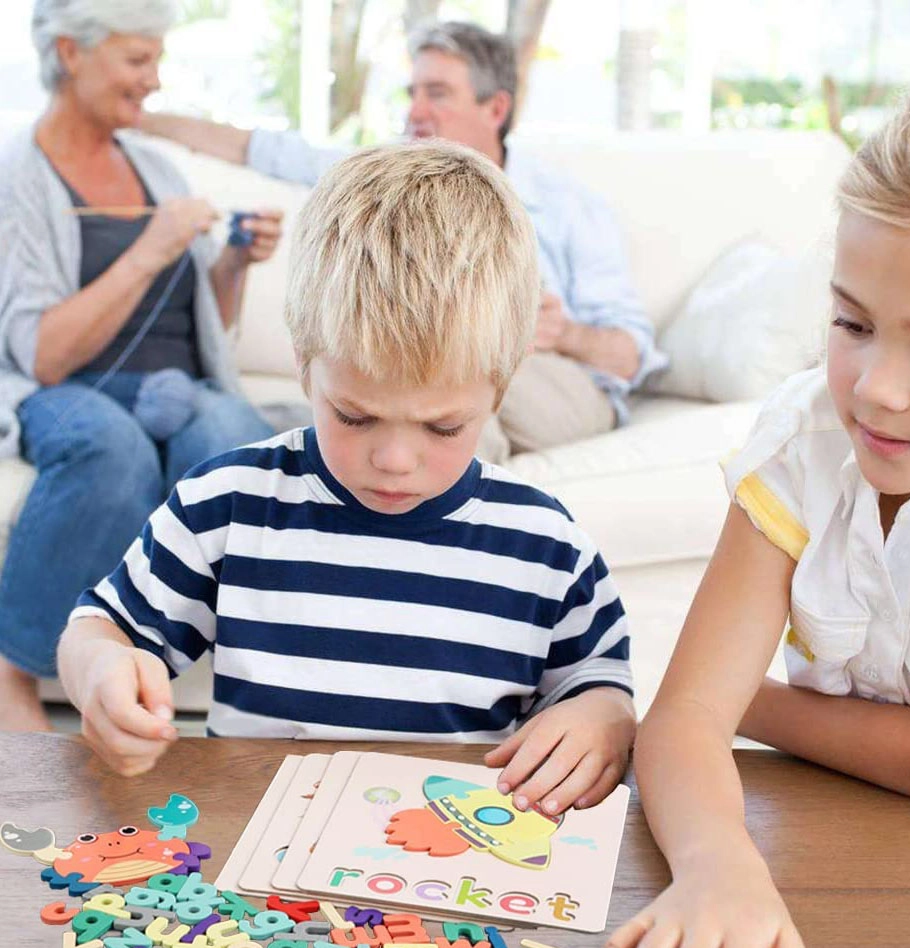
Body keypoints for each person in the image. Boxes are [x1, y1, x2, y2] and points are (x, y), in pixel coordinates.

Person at [56, 139, 637, 828]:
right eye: (355, 416)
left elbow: (600, 684)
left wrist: (604, 719)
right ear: (305, 367)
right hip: (258, 874)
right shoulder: (231, 506)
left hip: (452, 883)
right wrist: (100, 675)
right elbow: (102, 629)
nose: (393, 459)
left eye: (443, 428)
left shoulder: (546, 545)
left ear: (500, 388)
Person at [593, 67, 910, 948]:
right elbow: (684, 722)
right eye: (852, 323)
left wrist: (758, 705)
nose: (874, 388)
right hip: (834, 850)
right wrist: (716, 867)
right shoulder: (805, 441)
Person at [139, 20, 664, 464]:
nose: (415, 111)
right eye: (411, 93)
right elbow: (267, 150)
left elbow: (630, 358)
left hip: (549, 375)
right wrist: (136, 116)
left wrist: (563, 332)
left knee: (454, 404)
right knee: (379, 402)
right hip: (432, 361)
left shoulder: (569, 206)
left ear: (496, 109)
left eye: (437, 94)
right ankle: (258, 431)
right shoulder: (386, 174)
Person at [0, 0, 283, 732]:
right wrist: (152, 247)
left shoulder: (154, 166)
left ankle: (265, 691)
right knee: (111, 447)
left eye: (157, 59)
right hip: (65, 389)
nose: (152, 81)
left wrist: (235, 262)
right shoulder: (18, 179)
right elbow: (42, 352)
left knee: (235, 445)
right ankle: (11, 672)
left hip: (179, 387)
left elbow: (207, 326)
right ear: (69, 52)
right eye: (137, 59)